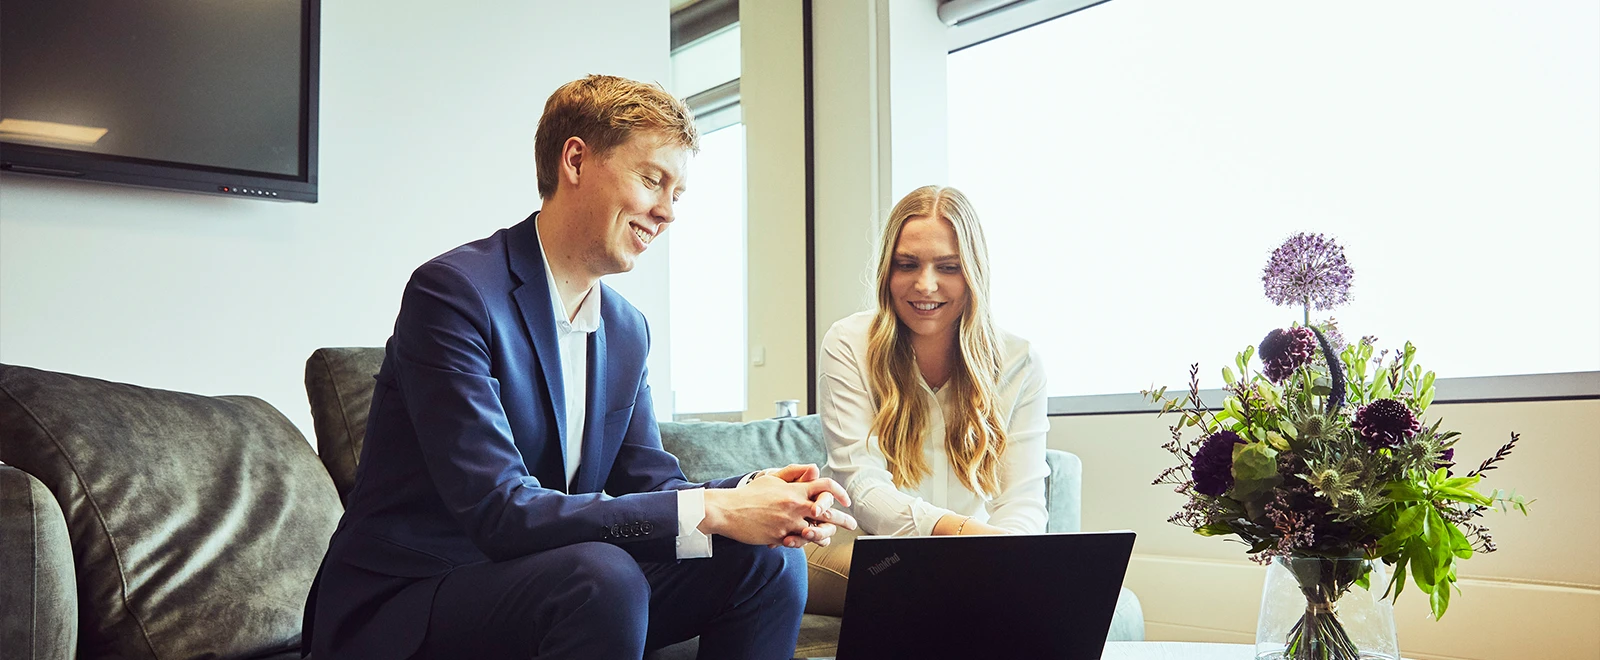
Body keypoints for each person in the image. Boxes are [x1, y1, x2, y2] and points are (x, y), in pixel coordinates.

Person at [302, 74, 855, 660]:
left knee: (768, 563)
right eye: (652, 180)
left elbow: (650, 486)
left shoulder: (625, 329)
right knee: (601, 576)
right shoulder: (453, 294)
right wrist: (717, 509)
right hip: (409, 601)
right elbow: (499, 510)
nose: (667, 212)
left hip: (545, 584)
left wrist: (751, 495)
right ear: (575, 160)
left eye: (678, 193)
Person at [806, 185, 1049, 612]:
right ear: (888, 271)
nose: (926, 284)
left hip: (973, 551)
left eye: (948, 266)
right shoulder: (848, 343)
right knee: (917, 580)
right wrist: (965, 536)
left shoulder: (1019, 362)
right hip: (869, 548)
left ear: (973, 271)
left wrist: (1013, 558)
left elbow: (1022, 501)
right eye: (907, 264)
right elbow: (861, 487)